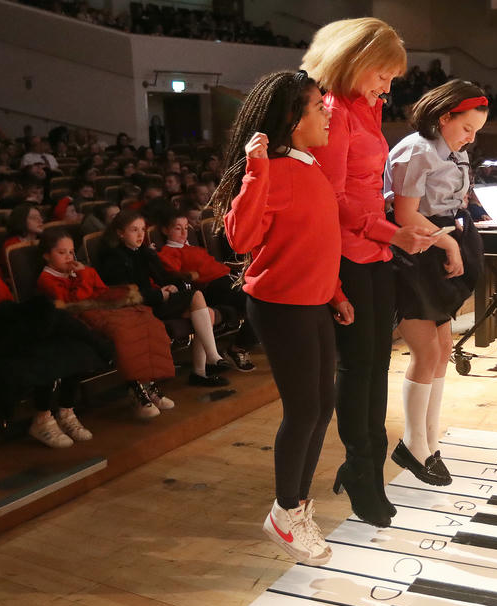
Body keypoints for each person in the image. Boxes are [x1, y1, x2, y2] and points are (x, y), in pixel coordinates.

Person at [211, 69, 352, 565]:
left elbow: (315, 241)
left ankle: (296, 507)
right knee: (304, 410)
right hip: (280, 305)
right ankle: (285, 511)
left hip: (312, 301)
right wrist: (254, 168)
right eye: (318, 106)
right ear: (293, 118)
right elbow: (241, 239)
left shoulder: (308, 166)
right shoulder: (269, 169)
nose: (327, 113)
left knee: (323, 403)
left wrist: (334, 291)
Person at [301, 18, 436, 526]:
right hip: (348, 256)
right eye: (383, 74)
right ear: (355, 62)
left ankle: (363, 467)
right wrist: (391, 232)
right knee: (359, 370)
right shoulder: (333, 111)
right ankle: (363, 471)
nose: (389, 86)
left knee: (374, 365)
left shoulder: (367, 107)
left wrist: (397, 228)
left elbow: (360, 189)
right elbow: (329, 201)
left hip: (374, 249)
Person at [384, 80, 489, 486]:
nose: (470, 138)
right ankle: (412, 443)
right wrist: (448, 242)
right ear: (444, 116)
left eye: (476, 132)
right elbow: (405, 215)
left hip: (442, 245)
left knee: (443, 348)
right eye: (466, 129)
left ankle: (428, 438)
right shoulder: (416, 150)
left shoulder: (453, 151)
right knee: (426, 351)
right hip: (415, 253)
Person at [0, 230, 98, 447]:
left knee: (64, 343)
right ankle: (43, 419)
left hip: (11, 335)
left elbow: (14, 313)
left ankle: (66, 411)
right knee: (44, 331)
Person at [35, 227, 175, 419]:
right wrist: (83, 277)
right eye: (61, 253)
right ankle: (135, 389)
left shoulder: (77, 271)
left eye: (71, 252)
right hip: (82, 317)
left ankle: (148, 384)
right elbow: (73, 304)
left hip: (103, 308)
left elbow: (101, 290)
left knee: (147, 320)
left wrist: (86, 274)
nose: (69, 257)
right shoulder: (47, 279)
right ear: (46, 256)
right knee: (125, 332)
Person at [98, 209, 230, 387]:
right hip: (139, 308)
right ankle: (211, 358)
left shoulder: (142, 251)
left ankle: (201, 372)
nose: (140, 235)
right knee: (198, 299)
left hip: (154, 300)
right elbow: (125, 295)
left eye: (142, 230)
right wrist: (160, 293)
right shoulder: (112, 258)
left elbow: (164, 277)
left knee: (206, 312)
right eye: (134, 230)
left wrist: (174, 286)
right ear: (120, 233)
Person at [156, 208, 256, 371]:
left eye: (186, 228)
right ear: (165, 230)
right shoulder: (169, 252)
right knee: (256, 303)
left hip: (228, 280)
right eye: (177, 228)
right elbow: (174, 277)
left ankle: (244, 345)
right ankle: (238, 348)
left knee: (266, 298)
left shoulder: (193, 248)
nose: (183, 233)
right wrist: (190, 275)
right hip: (212, 288)